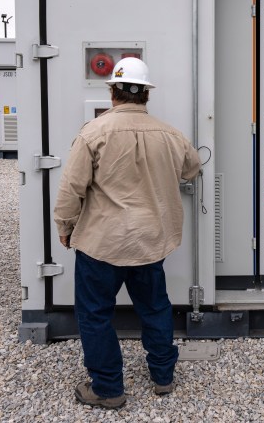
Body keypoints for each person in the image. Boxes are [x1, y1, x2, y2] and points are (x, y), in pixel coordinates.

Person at [53, 57, 200, 410]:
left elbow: (71, 189)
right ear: (146, 94)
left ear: (112, 92)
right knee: (154, 307)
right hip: (151, 241)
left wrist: (65, 226)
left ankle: (107, 388)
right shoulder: (170, 134)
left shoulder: (93, 132)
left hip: (102, 243)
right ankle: (163, 376)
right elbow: (192, 169)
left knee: (94, 314)